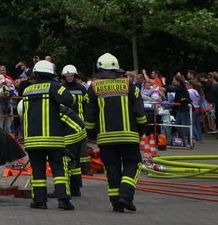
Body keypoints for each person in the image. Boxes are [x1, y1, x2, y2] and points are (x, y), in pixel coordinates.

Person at [85, 53, 148, 213]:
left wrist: (91, 134)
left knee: (111, 167)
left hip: (105, 138)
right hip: (129, 135)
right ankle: (126, 196)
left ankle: (116, 202)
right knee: (133, 164)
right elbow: (140, 113)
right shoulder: (129, 85)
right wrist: (141, 131)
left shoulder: (93, 87)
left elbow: (90, 116)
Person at [17, 60, 77, 211]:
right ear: (52, 74)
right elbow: (69, 100)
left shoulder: (27, 90)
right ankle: (63, 200)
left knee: (37, 170)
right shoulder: (55, 87)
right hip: (53, 139)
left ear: (36, 73)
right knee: (58, 169)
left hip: (33, 139)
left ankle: (39, 201)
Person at [60, 64, 90, 190]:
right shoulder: (61, 88)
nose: (69, 77)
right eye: (67, 76)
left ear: (75, 75)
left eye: (71, 75)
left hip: (80, 123)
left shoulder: (82, 89)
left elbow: (87, 104)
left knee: (81, 152)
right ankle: (74, 184)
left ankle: (85, 170)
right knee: (70, 153)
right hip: (67, 125)